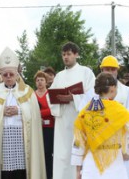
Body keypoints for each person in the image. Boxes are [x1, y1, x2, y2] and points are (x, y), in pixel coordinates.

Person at [0, 47, 46, 179]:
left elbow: (34, 114)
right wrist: (1, 111)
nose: (9, 77)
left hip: (22, 138)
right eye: (5, 75)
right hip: (2, 137)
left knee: (21, 170)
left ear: (17, 74)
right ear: (1, 75)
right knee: (5, 171)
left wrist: (19, 110)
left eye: (11, 74)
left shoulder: (27, 91)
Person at [71, 73, 129, 179]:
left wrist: (78, 169)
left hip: (91, 162)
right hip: (115, 161)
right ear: (113, 88)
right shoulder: (120, 110)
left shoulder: (85, 111)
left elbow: (78, 140)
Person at [48, 42, 96, 179]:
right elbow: (49, 97)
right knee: (62, 156)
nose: (66, 57)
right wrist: (58, 99)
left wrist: (73, 98)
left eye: (69, 54)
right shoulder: (59, 76)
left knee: (78, 154)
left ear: (76, 54)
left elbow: (93, 96)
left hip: (78, 121)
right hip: (62, 122)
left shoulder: (86, 72)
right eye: (63, 54)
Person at [96, 55, 129, 178]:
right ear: (101, 70)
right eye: (106, 69)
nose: (109, 72)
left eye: (112, 69)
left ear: (117, 70)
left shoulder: (127, 91)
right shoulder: (93, 92)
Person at [34, 71, 54, 179]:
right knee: (37, 153)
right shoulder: (32, 94)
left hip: (49, 128)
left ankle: (49, 176)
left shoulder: (50, 94)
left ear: (46, 82)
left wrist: (38, 114)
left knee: (47, 153)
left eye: (42, 80)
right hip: (36, 128)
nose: (40, 82)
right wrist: (37, 117)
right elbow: (30, 110)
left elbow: (53, 110)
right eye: (37, 80)